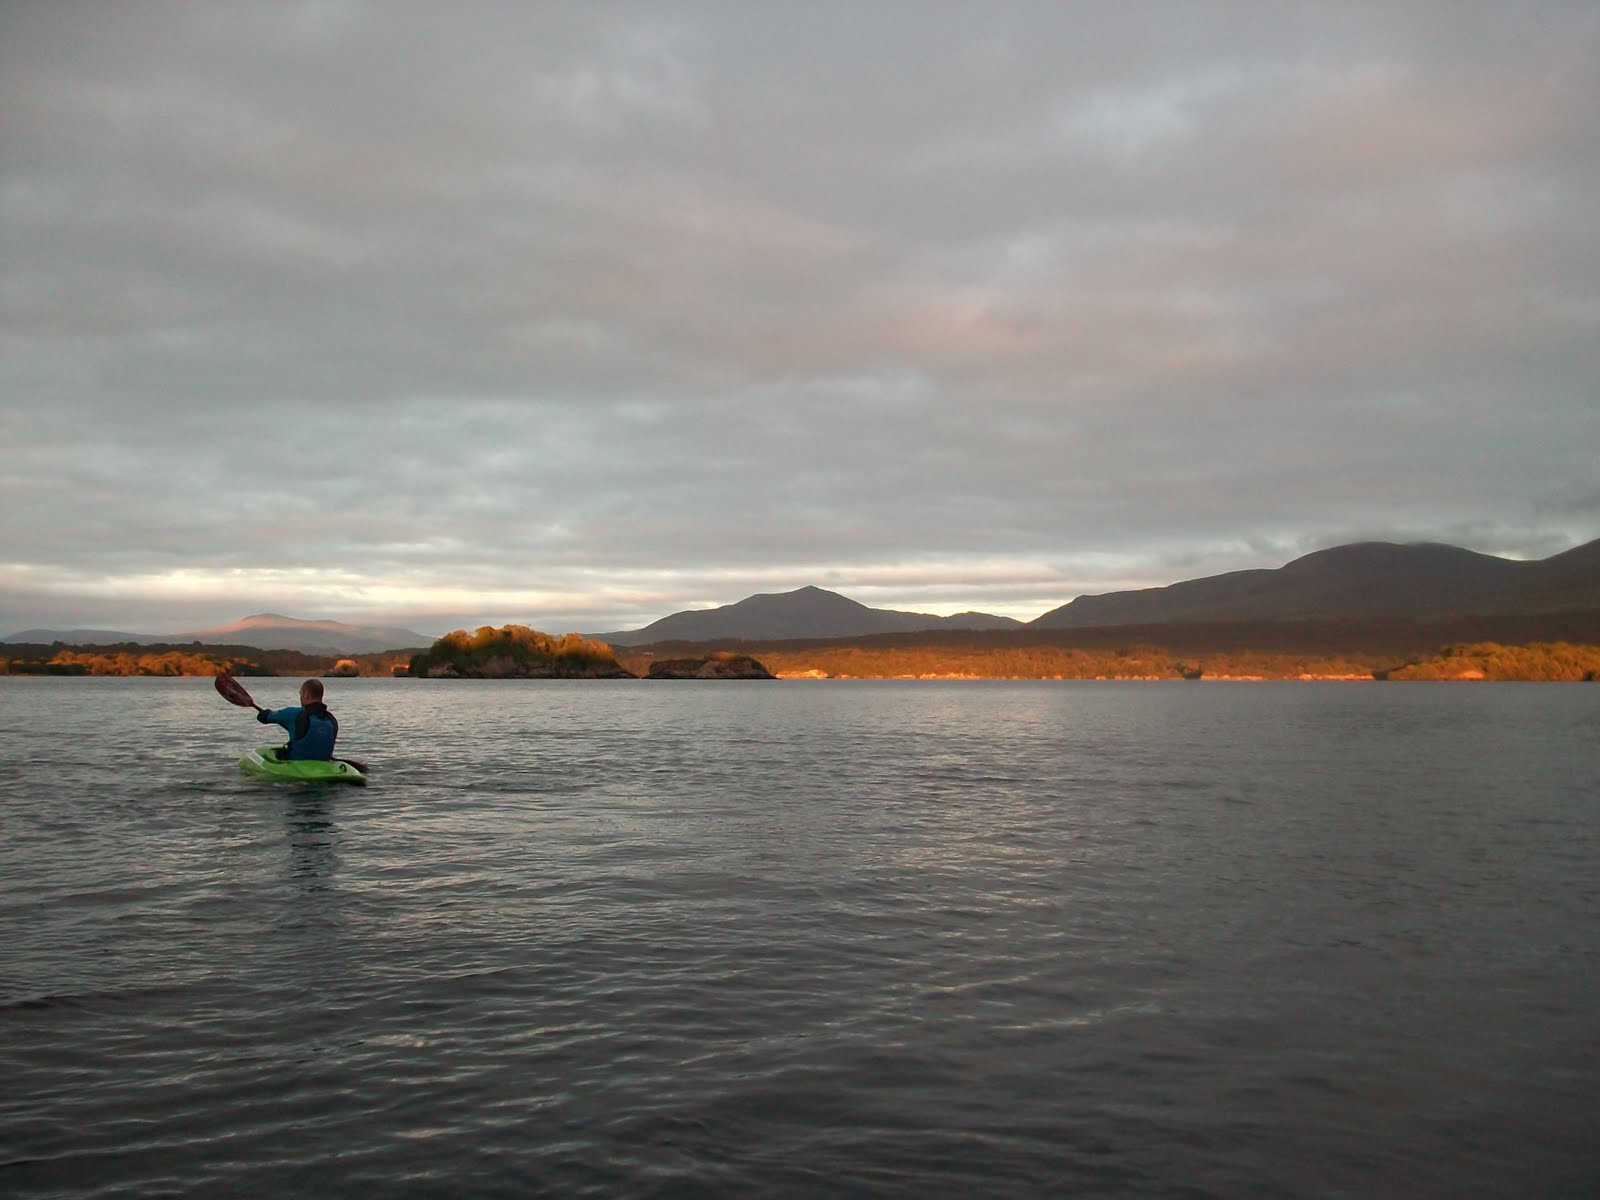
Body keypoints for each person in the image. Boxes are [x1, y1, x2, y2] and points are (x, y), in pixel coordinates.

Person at [257, 678, 339, 761]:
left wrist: (265, 712)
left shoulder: (294, 714)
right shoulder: (332, 720)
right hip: (324, 765)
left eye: (301, 694)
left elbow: (263, 717)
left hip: (298, 764)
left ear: (306, 695)